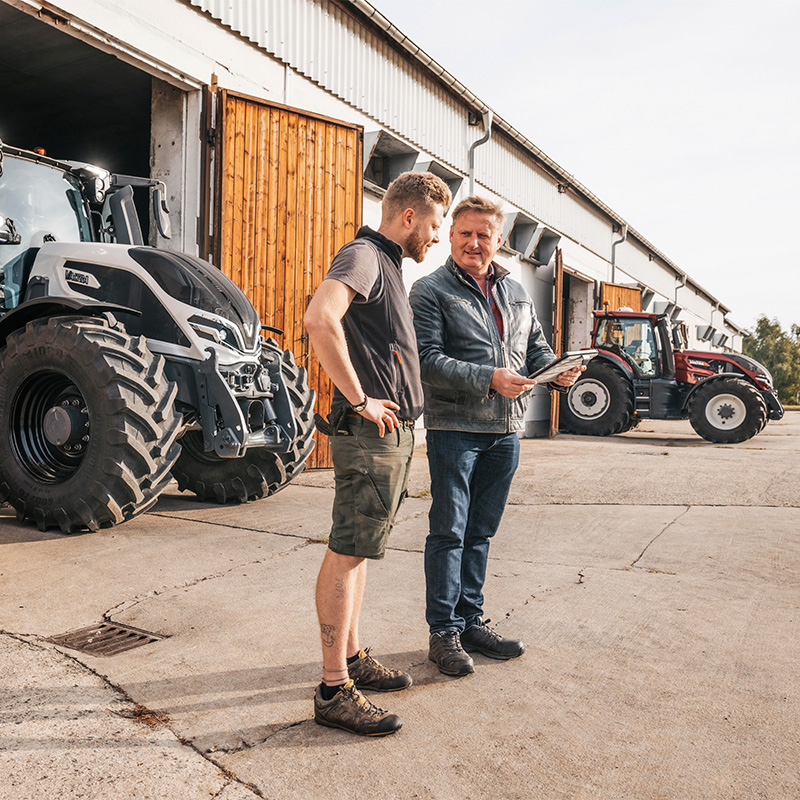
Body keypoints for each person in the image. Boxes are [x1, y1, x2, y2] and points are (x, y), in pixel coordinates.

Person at [408, 195, 583, 677]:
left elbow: (535, 349)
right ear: (450, 235)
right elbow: (424, 359)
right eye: (465, 232)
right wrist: (487, 377)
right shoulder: (430, 291)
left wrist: (556, 370)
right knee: (450, 531)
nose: (474, 242)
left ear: (498, 240)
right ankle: (442, 632)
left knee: (481, 532)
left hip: (507, 429)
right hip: (455, 429)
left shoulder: (517, 292)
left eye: (484, 234)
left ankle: (470, 621)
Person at [304, 171, 451, 736]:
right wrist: (360, 398)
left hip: (391, 436)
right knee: (347, 550)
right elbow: (320, 318)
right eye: (436, 225)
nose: (436, 237)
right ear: (409, 217)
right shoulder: (365, 254)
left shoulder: (386, 263)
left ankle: (354, 655)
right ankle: (333, 686)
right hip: (369, 435)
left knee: (360, 550)